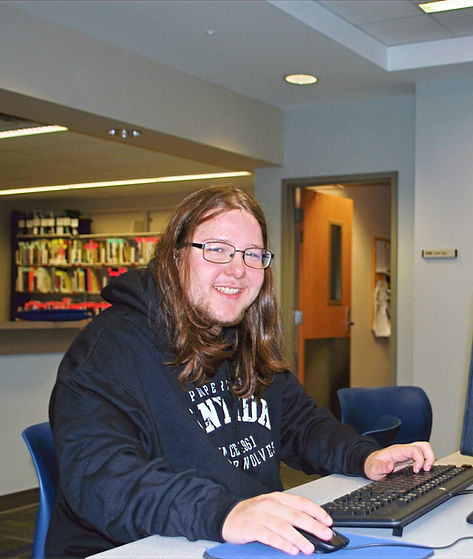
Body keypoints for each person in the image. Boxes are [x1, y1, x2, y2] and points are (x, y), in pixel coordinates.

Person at [46, 186, 435, 558]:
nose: (238, 269)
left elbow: (301, 425)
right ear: (174, 256)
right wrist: (224, 513)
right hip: (136, 547)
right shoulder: (110, 349)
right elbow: (99, 478)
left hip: (238, 542)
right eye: (217, 250)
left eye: (253, 254)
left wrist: (366, 458)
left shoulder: (244, 338)